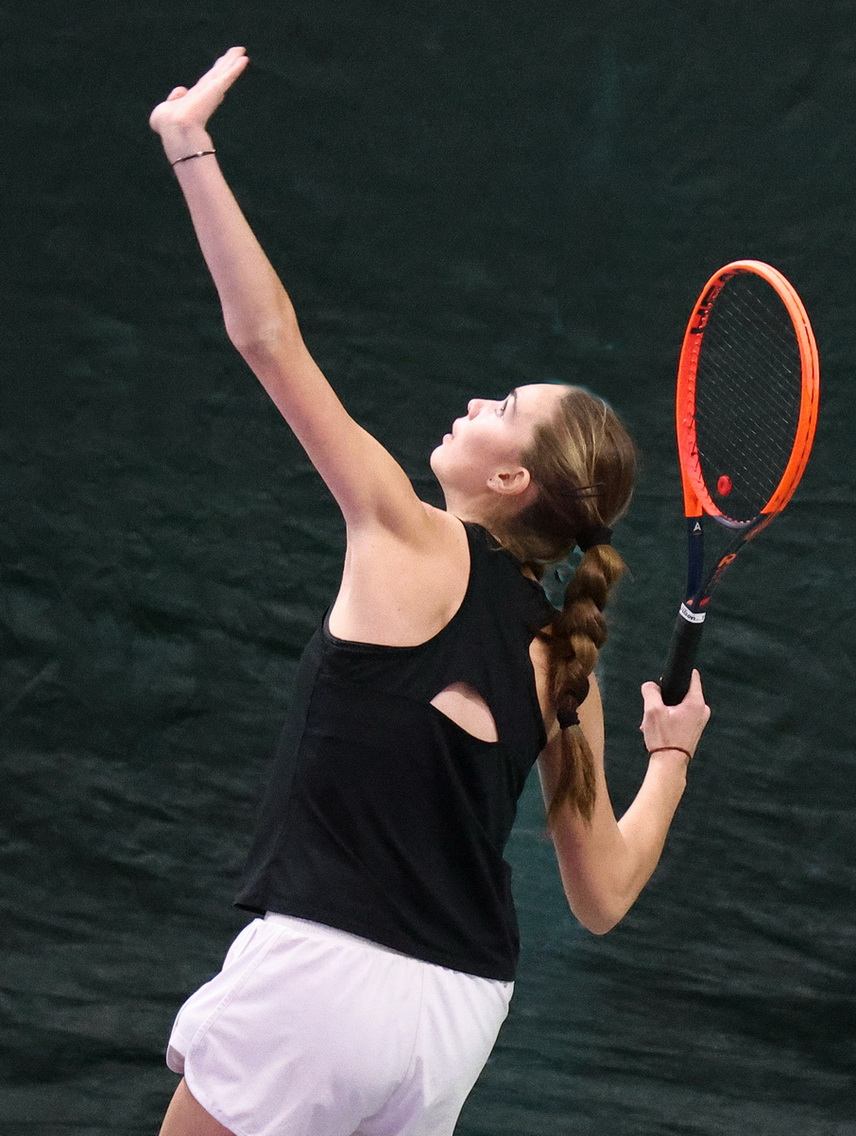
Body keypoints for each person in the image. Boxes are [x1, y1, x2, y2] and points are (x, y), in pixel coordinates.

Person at [150, 47, 711, 1136]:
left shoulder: (406, 533)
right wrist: (674, 755)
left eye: (505, 407)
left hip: (323, 978)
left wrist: (190, 147)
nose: (476, 402)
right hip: (456, 1017)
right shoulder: (568, 662)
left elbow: (266, 337)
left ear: (511, 481)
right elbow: (600, 896)